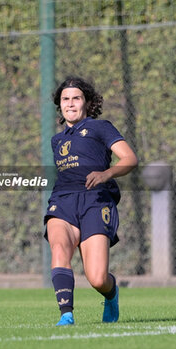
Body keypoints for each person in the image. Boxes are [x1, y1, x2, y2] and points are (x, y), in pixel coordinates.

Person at [44, 76, 138, 326]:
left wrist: (107, 173)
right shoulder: (57, 140)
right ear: (60, 105)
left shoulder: (100, 127)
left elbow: (129, 158)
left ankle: (112, 292)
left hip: (95, 201)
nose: (70, 104)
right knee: (60, 248)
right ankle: (66, 315)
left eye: (76, 98)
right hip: (62, 201)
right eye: (65, 99)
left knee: (97, 278)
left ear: (87, 103)